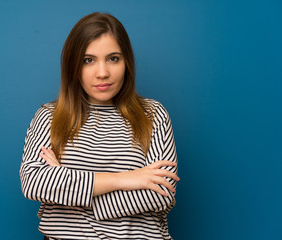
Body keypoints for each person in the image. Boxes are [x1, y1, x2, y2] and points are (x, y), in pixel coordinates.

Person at [20, 12, 180, 240]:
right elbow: (34, 183)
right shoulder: (50, 117)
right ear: (73, 66)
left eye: (113, 58)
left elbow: (161, 193)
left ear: (127, 62)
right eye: (88, 60)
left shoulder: (152, 114)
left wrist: (67, 184)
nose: (103, 72)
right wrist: (126, 179)